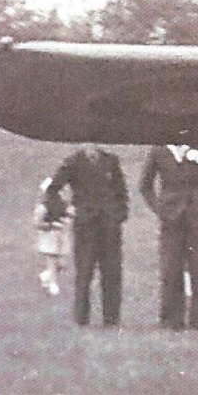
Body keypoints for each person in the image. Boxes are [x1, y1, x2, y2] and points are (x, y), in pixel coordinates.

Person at [138, 138, 198, 330]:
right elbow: (145, 186)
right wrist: (159, 209)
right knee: (170, 271)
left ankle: (197, 322)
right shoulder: (159, 150)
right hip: (171, 222)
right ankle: (171, 321)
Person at [45, 138, 129, 327]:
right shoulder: (72, 162)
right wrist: (66, 210)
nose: (91, 147)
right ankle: (81, 319)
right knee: (84, 272)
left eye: (95, 142)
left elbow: (121, 191)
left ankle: (112, 319)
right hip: (86, 226)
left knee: (112, 273)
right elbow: (52, 191)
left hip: (110, 225)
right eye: (87, 143)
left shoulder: (111, 161)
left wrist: (119, 214)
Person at [33, 177, 70, 296]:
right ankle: (53, 286)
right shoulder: (42, 207)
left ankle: (46, 276)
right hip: (49, 236)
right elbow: (37, 223)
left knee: (61, 264)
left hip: (60, 236)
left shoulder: (62, 205)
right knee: (52, 260)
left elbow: (69, 213)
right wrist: (51, 225)